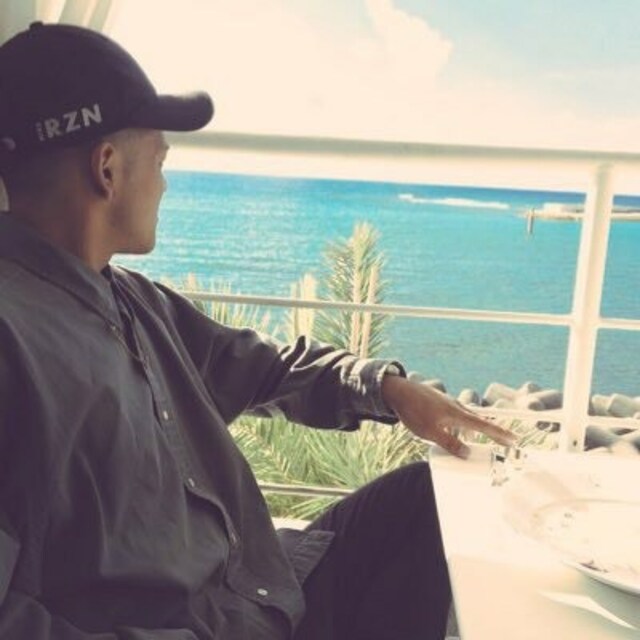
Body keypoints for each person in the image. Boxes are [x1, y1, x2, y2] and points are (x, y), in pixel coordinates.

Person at [0, 22, 515, 640]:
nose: (164, 184)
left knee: (429, 496)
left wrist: (388, 390)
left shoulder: (131, 299)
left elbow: (265, 368)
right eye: (160, 160)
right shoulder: (14, 342)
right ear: (106, 170)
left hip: (262, 597)